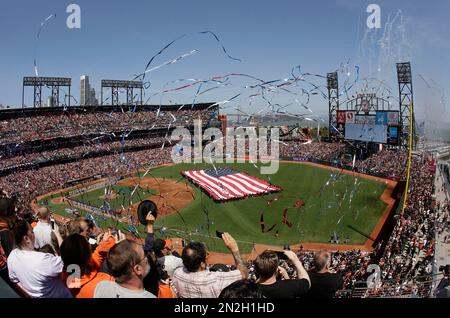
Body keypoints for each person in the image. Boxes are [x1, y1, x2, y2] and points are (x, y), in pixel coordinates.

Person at [7, 219, 72, 298]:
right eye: (32, 231)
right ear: (26, 239)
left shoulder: (11, 257)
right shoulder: (42, 260)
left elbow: (15, 281)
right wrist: (57, 234)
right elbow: (68, 258)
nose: (34, 233)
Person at [172, 233, 248, 298]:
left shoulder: (177, 273)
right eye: (206, 254)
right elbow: (244, 274)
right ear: (201, 264)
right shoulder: (215, 279)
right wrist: (234, 249)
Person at [60, 231, 120, 298]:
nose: (90, 245)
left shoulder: (71, 272)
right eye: (88, 245)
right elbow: (126, 284)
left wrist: (106, 243)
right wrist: (122, 250)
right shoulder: (100, 286)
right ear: (87, 256)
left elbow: (95, 258)